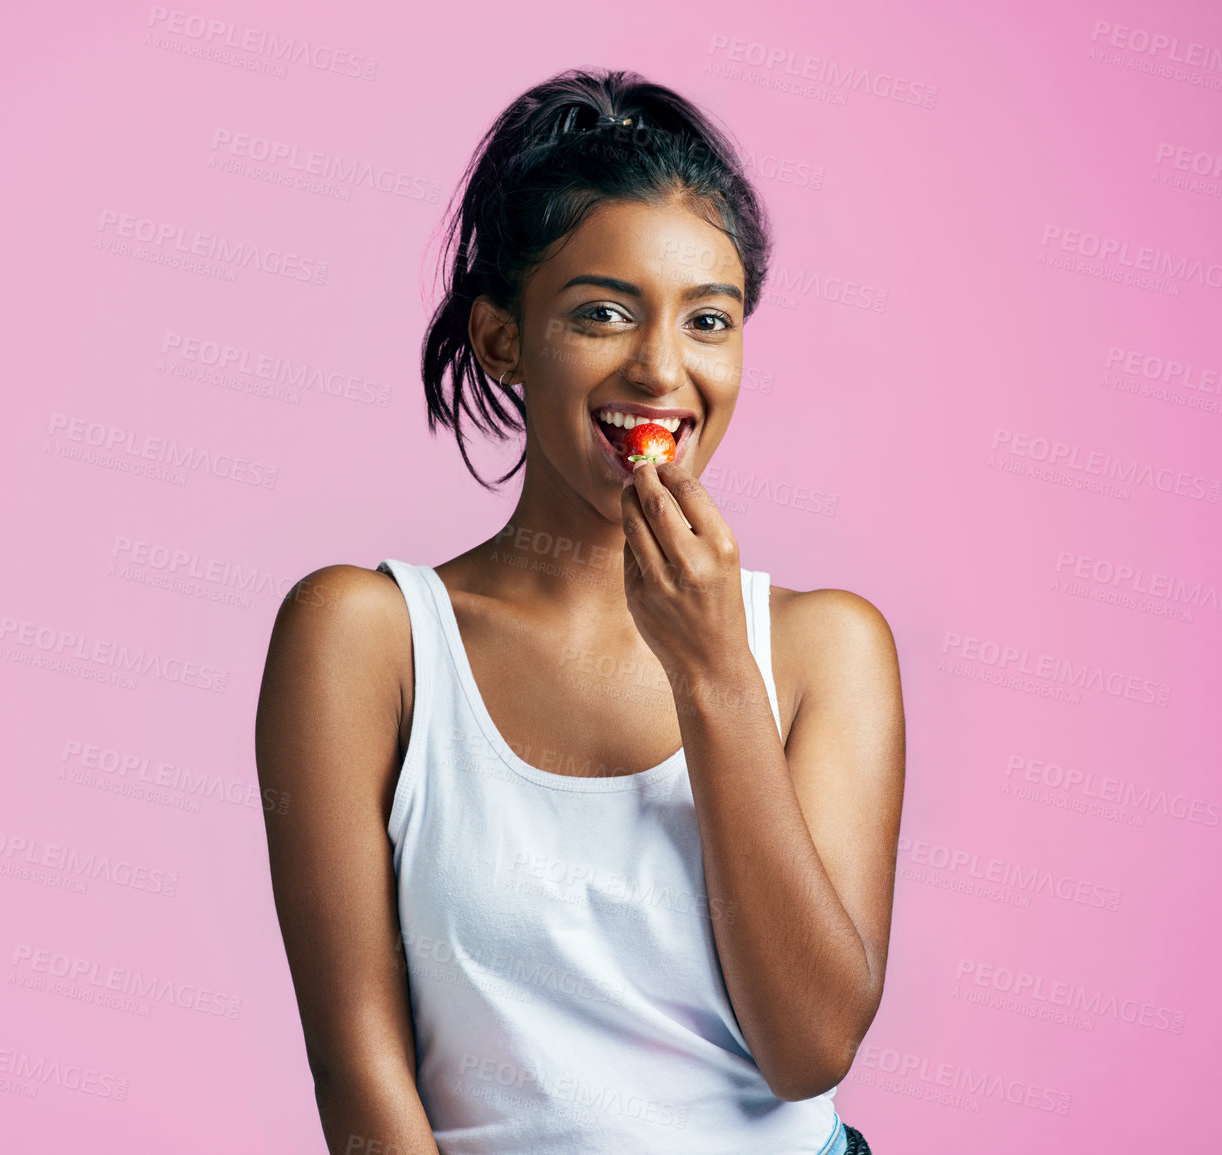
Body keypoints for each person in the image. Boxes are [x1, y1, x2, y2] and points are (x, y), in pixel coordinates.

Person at [256, 67, 903, 1155]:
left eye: (709, 320)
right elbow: (357, 1069)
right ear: (504, 340)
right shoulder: (367, 638)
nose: (661, 369)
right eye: (603, 313)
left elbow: (812, 1047)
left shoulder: (823, 649)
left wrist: (715, 678)